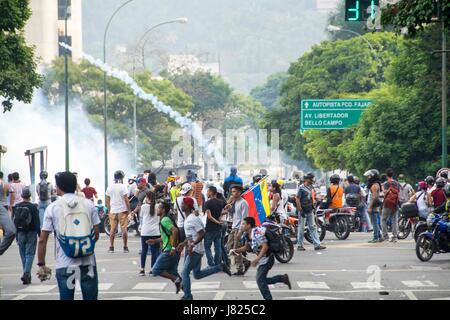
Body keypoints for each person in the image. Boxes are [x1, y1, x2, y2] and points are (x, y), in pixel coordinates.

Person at [37, 171, 100, 300]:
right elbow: (96, 234)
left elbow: (42, 239)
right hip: (88, 262)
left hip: (64, 263)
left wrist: (41, 263)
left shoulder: (53, 207)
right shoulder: (88, 204)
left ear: (59, 187)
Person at [178, 197, 231, 300]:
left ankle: (188, 296)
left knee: (184, 273)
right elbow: (191, 235)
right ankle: (220, 267)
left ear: (188, 206)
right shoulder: (189, 218)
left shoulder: (193, 218)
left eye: (183, 204)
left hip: (195, 250)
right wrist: (183, 243)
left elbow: (202, 233)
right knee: (197, 275)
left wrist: (193, 244)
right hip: (192, 249)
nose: (181, 206)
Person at [231, 217, 292, 300]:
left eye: (243, 224)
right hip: (263, 259)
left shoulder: (257, 234)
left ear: (249, 225)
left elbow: (265, 246)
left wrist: (257, 259)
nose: (241, 226)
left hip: (267, 259)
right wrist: (236, 250)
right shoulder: (248, 235)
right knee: (262, 280)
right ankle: (282, 278)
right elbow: (247, 247)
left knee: (260, 281)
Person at [148, 201, 183, 294]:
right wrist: (155, 241)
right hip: (172, 250)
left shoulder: (164, 220)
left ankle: (176, 280)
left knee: (155, 270)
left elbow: (175, 231)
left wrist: (173, 248)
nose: (157, 209)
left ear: (163, 210)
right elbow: (167, 236)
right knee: (173, 272)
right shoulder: (164, 219)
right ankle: (186, 293)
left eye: (159, 208)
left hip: (169, 251)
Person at [12, 187, 40, 284]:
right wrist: (40, 234)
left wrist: (15, 234)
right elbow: (37, 221)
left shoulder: (16, 207)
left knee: (23, 255)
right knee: (30, 254)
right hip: (31, 232)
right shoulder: (33, 207)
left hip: (20, 232)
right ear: (30, 196)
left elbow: (14, 221)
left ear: (22, 196)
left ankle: (26, 276)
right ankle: (26, 273)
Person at [295, 173, 326, 251]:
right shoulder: (301, 188)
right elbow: (297, 199)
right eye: (311, 178)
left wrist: (317, 200)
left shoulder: (311, 188)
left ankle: (317, 244)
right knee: (301, 228)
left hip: (310, 209)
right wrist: (300, 209)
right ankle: (299, 245)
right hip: (303, 210)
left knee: (313, 227)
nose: (312, 180)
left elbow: (312, 197)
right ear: (307, 179)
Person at [226, 185, 251, 275]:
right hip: (233, 227)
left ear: (240, 192)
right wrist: (229, 209)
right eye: (232, 191)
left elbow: (244, 218)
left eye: (235, 191)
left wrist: (241, 231)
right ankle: (245, 261)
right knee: (229, 248)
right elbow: (234, 216)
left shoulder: (243, 203)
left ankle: (239, 269)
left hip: (239, 229)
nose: (233, 193)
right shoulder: (235, 202)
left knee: (236, 248)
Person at [105, 170, 131, 253]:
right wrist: (129, 210)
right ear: (122, 177)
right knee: (124, 229)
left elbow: (107, 201)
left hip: (113, 211)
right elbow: (126, 199)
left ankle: (111, 247)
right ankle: (125, 247)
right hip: (122, 210)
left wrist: (109, 211)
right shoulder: (123, 187)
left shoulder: (110, 187)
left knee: (112, 229)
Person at [204, 186, 227, 267]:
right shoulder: (221, 202)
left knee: (207, 247)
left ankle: (211, 264)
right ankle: (217, 263)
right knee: (218, 247)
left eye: (207, 191)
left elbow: (209, 217)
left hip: (210, 228)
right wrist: (220, 216)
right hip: (218, 229)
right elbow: (227, 208)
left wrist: (217, 222)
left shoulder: (207, 203)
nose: (207, 193)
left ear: (211, 192)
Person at [138, 191, 160, 276]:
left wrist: (145, 202)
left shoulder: (143, 207)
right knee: (154, 251)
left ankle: (142, 269)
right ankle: (152, 269)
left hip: (145, 231)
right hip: (155, 231)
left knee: (144, 250)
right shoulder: (158, 206)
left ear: (147, 198)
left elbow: (141, 217)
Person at [381, 168, 401, 242]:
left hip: (387, 204)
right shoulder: (396, 183)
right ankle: (395, 237)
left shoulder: (385, 183)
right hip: (395, 203)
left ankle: (385, 236)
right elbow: (398, 192)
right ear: (393, 175)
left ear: (386, 175)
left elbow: (385, 192)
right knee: (394, 220)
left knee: (383, 219)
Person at [364, 169, 383, 243]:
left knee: (374, 222)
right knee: (375, 221)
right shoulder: (376, 184)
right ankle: (379, 236)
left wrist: (370, 207)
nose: (368, 178)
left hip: (373, 206)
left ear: (372, 176)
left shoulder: (374, 185)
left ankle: (375, 237)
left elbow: (374, 197)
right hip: (374, 205)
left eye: (369, 176)